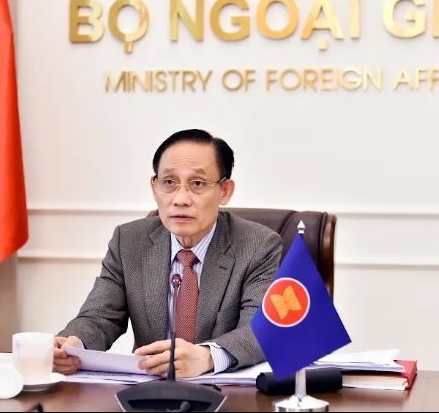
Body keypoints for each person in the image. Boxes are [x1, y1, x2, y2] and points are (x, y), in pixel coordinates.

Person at [52, 128, 283, 378]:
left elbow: (260, 330)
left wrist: (206, 356)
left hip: (223, 390)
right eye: (169, 183)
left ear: (225, 191)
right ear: (154, 187)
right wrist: (73, 344)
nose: (180, 199)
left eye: (197, 183)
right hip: (147, 388)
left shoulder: (258, 245)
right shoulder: (129, 241)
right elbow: (100, 316)